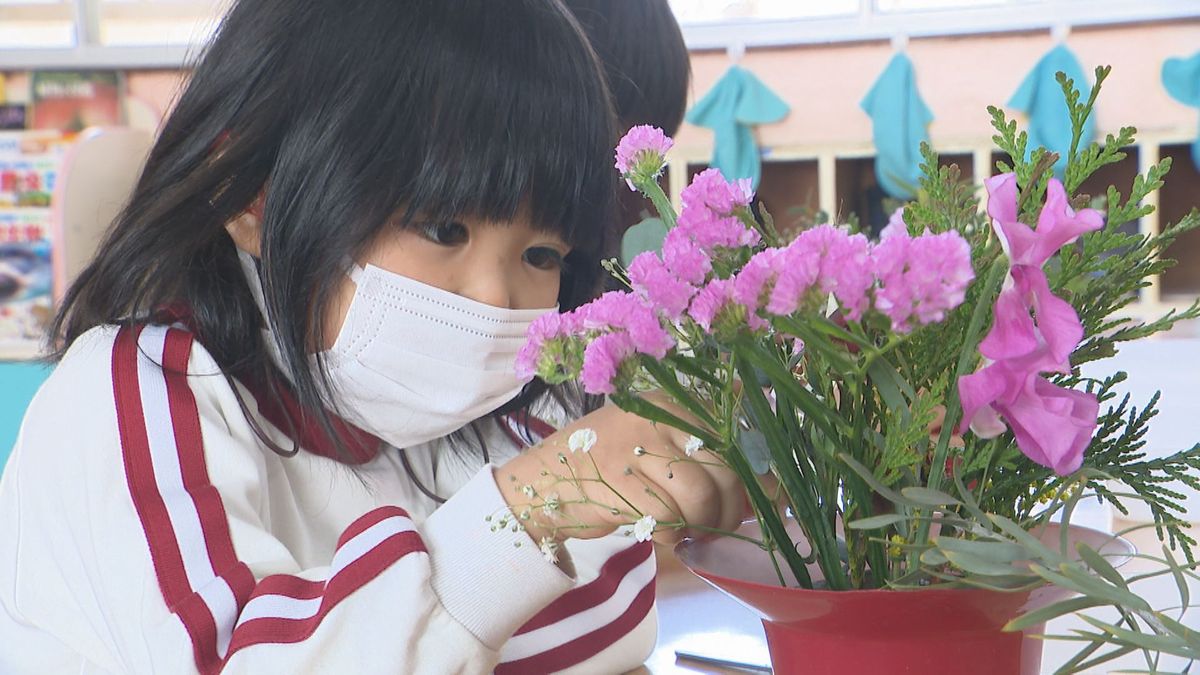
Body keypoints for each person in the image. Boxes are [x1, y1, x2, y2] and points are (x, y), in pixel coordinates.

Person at [0, 1, 747, 673]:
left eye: (542, 255)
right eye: (442, 227)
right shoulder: (131, 393)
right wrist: (529, 510)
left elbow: (612, 624)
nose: (494, 297)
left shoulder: (479, 420)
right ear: (252, 194)